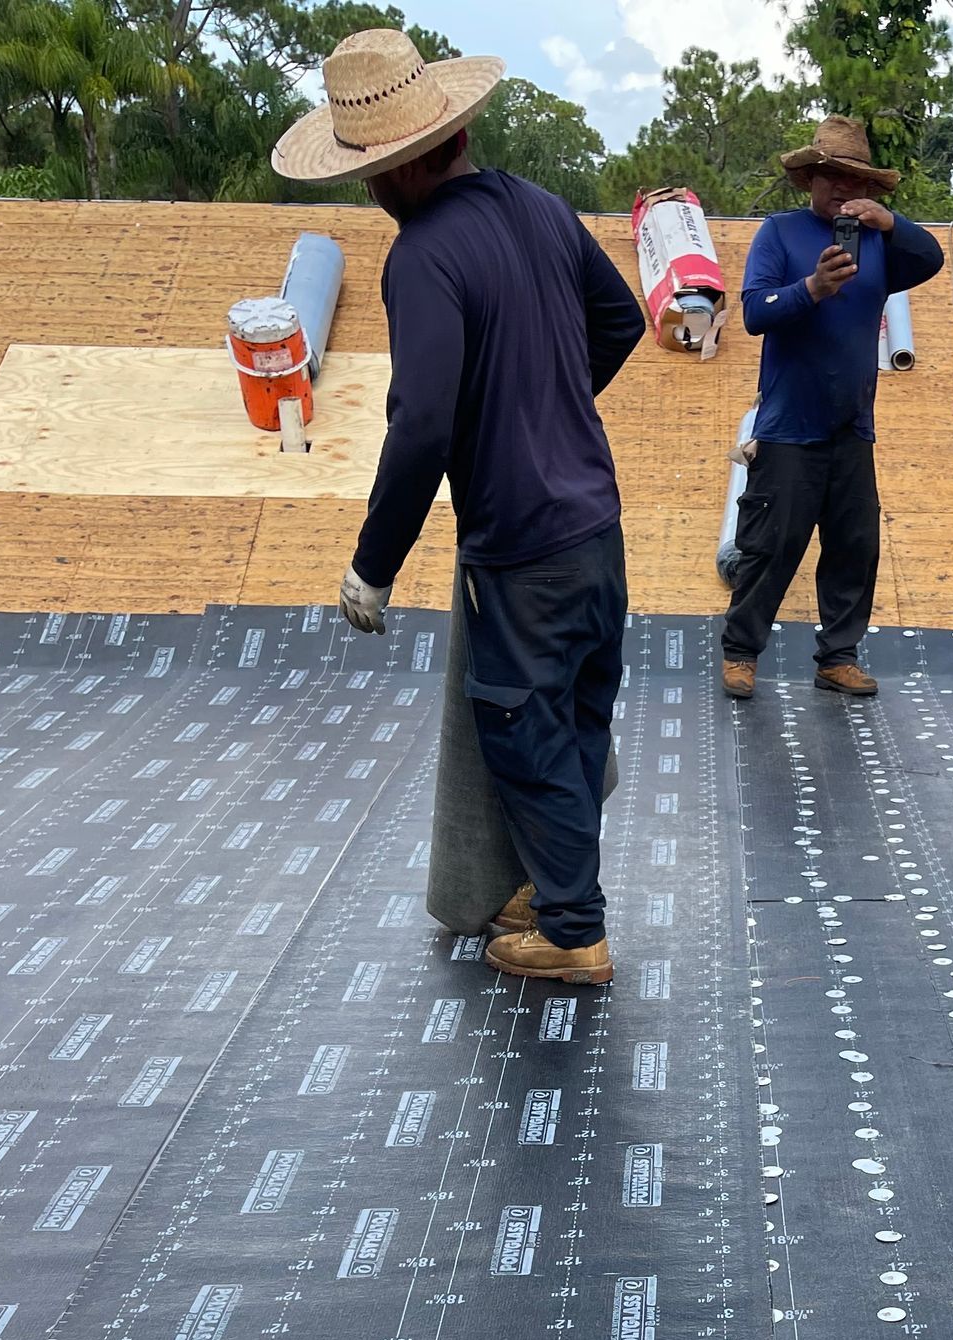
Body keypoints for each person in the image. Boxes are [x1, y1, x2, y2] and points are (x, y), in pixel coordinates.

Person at [273, 30, 645, 986]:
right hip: (598, 532)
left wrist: (372, 565)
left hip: (522, 552)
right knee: (577, 722)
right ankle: (555, 891)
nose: (369, 190)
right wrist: (549, 403)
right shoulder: (542, 208)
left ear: (399, 164)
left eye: (369, 173)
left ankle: (574, 933)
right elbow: (622, 320)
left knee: (526, 737)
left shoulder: (423, 256)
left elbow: (424, 426)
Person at [721, 115, 944, 703]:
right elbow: (755, 312)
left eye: (856, 181)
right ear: (811, 180)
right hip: (788, 426)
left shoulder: (879, 243)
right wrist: (812, 288)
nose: (843, 189)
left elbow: (931, 258)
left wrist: (890, 222)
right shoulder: (780, 232)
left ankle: (838, 659)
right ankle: (741, 653)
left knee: (854, 549)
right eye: (832, 177)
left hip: (852, 426)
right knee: (770, 547)